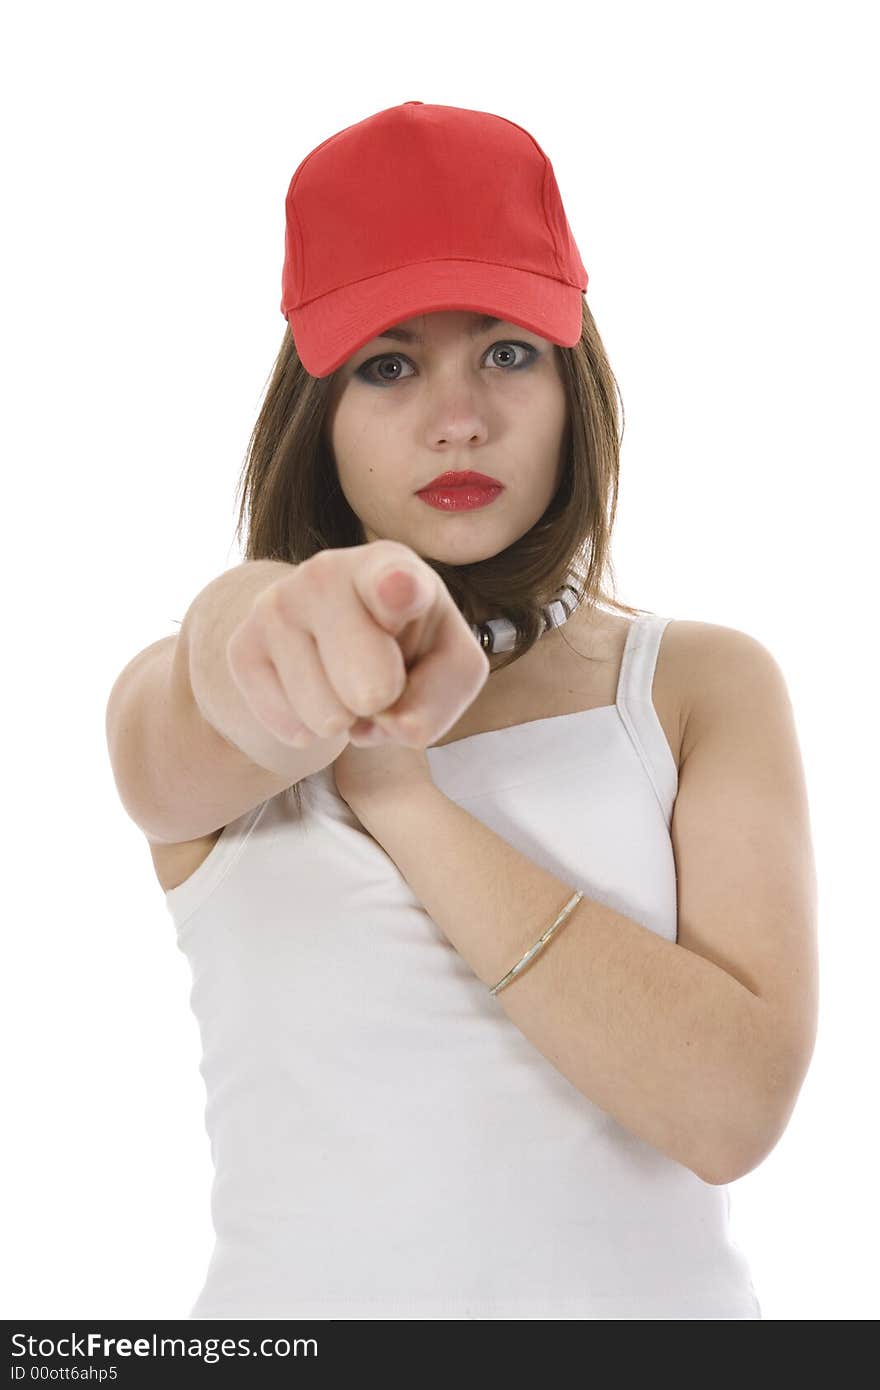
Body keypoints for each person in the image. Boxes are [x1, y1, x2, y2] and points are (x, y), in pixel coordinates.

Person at [105, 101, 818, 1320]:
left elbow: (727, 1110)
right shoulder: (214, 703)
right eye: (389, 363)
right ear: (314, 418)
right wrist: (280, 617)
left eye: (504, 351)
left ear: (571, 380)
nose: (457, 417)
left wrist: (401, 790)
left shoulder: (698, 685)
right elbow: (209, 687)